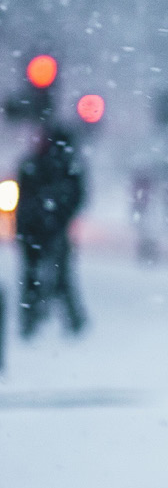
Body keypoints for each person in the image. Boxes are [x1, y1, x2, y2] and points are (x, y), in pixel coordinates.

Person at [16, 123, 87, 338]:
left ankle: (33, 320)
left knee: (43, 276)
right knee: (54, 275)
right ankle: (63, 320)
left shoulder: (39, 164)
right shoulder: (61, 166)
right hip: (42, 229)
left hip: (39, 229)